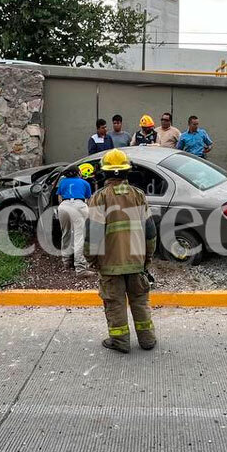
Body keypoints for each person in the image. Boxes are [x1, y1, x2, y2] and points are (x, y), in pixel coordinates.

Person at [85, 149, 157, 353]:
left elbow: (93, 234)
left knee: (115, 303)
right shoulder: (138, 195)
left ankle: (120, 342)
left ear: (105, 173)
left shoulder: (99, 197)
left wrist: (92, 259)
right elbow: (150, 232)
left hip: (110, 263)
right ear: (127, 171)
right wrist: (147, 258)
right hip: (137, 260)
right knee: (140, 301)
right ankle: (147, 340)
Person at [56, 163, 95, 276]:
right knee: (80, 236)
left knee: (66, 233)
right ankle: (80, 268)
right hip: (79, 205)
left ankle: (66, 261)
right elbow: (89, 199)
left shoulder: (62, 182)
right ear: (79, 173)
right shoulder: (84, 183)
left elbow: (59, 198)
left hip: (63, 206)